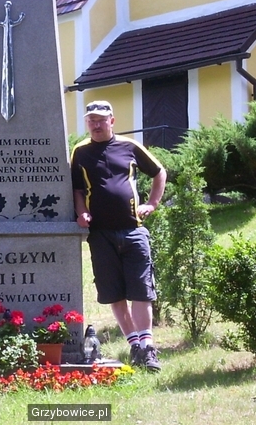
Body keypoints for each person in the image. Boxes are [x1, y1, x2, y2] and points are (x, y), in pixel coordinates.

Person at [70, 100, 167, 371]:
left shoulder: (129, 146)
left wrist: (152, 203)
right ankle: (134, 345)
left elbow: (159, 172)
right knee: (113, 292)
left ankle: (148, 348)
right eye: (91, 120)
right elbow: (77, 189)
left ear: (112, 121)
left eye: (101, 120)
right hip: (100, 234)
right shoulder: (80, 152)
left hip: (133, 229)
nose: (96, 125)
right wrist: (82, 212)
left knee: (141, 290)